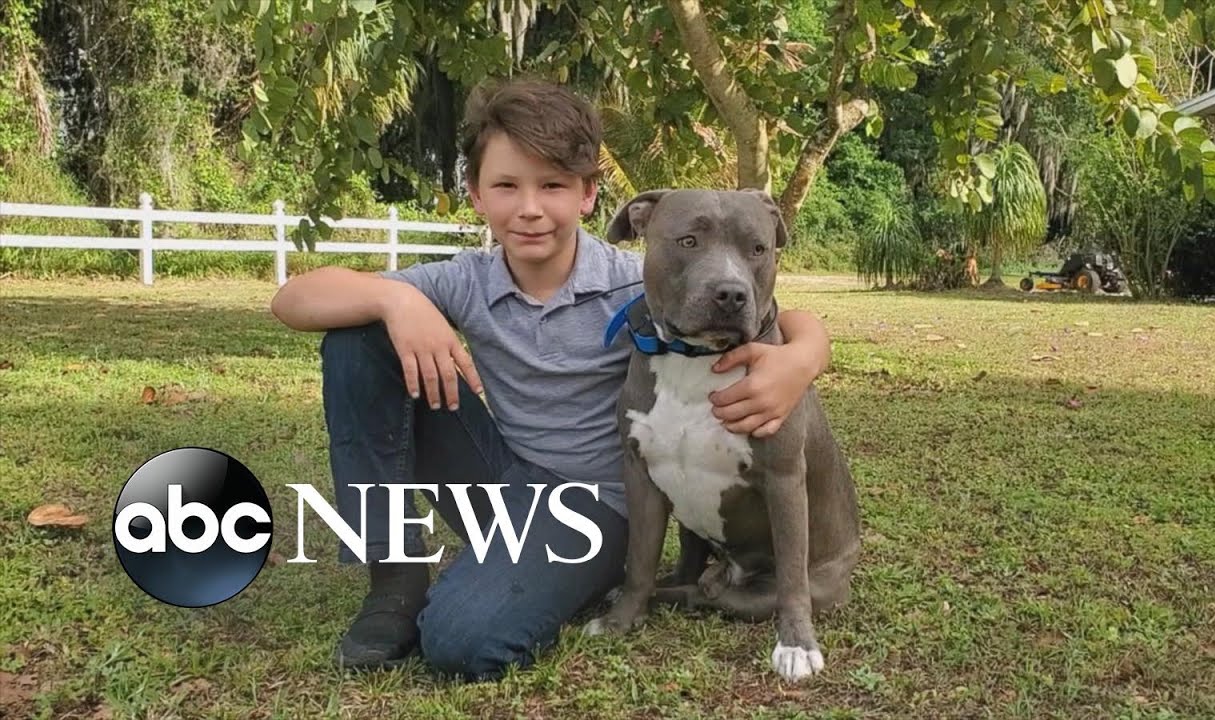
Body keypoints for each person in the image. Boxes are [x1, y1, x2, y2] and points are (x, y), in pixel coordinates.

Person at [269, 78, 833, 682]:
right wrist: (394, 301)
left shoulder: (637, 279)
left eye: (553, 186)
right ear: (476, 194)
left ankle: (536, 575)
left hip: (594, 511)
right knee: (357, 338)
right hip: (500, 480)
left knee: (463, 642)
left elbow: (787, 316)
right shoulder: (469, 279)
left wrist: (804, 356)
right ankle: (394, 579)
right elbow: (293, 300)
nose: (530, 208)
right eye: (506, 186)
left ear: (589, 194)